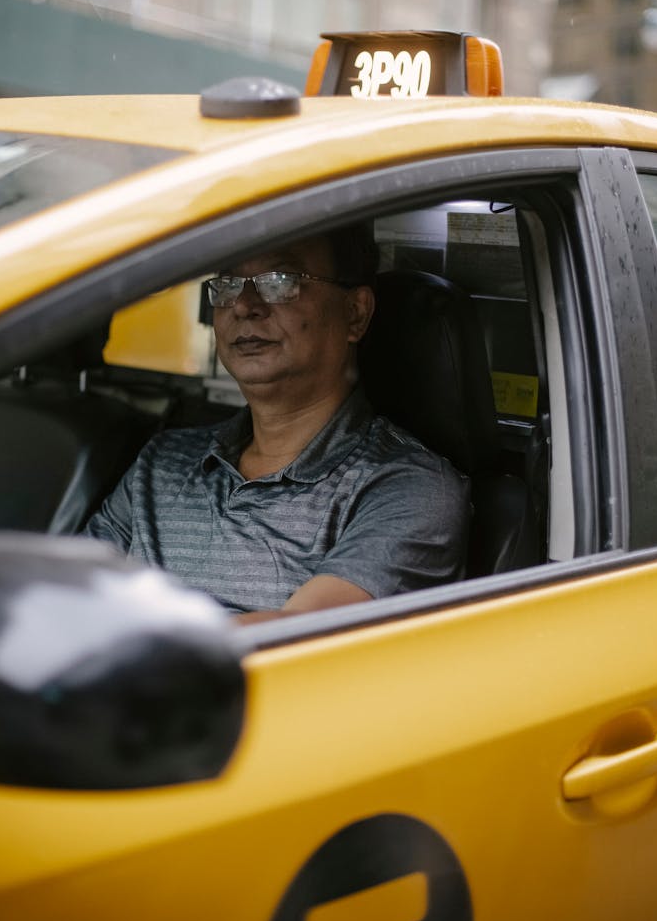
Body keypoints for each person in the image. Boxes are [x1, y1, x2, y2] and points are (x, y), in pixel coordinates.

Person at [85, 226, 470, 624]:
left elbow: (297, 640)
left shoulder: (410, 488)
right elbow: (69, 596)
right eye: (229, 284)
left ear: (355, 313)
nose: (244, 305)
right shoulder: (162, 462)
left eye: (280, 281)